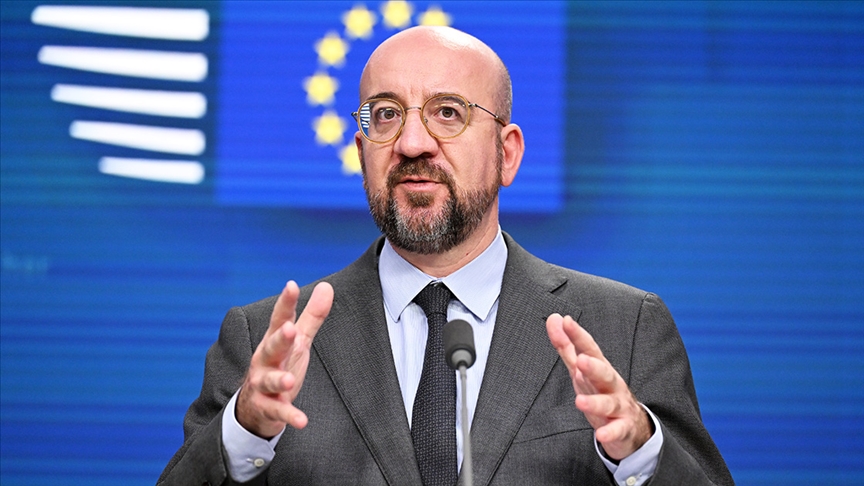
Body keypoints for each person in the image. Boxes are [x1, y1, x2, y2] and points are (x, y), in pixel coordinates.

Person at [158, 26, 733, 486]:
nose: (412, 143)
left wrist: (640, 452)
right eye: (386, 114)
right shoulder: (262, 341)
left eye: (448, 112)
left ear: (507, 154)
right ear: (361, 152)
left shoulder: (624, 328)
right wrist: (244, 435)